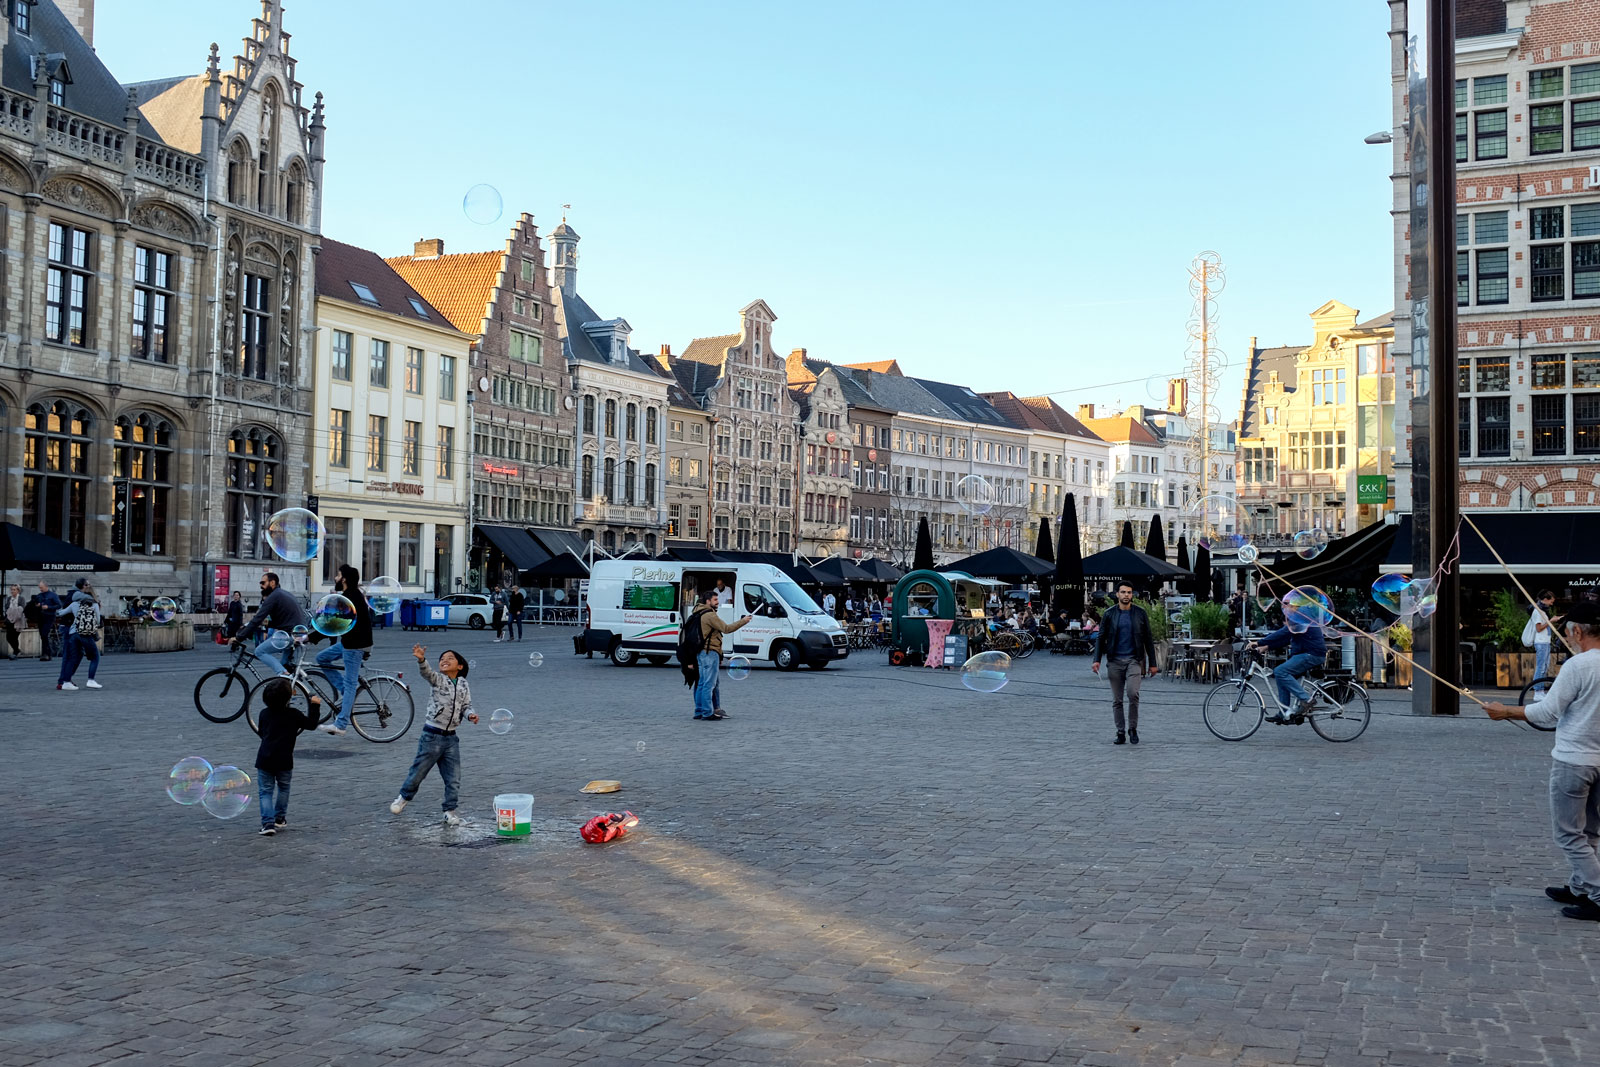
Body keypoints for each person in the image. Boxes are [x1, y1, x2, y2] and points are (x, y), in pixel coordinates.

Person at [1485, 602, 1600, 921]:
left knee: (1568, 833)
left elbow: (1547, 711)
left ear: (1578, 632)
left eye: (1567, 630)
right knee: (1589, 828)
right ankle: (1581, 887)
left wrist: (1506, 710)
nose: (1566, 635)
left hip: (1575, 760)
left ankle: (1598, 891)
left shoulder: (1580, 665)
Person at [391, 645, 478, 824]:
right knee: (419, 772)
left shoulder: (463, 683)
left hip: (451, 738)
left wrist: (470, 714)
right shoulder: (438, 679)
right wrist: (422, 660)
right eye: (442, 658)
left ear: (460, 666)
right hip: (432, 735)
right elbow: (427, 673)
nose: (444, 660)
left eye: (450, 658)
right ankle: (403, 797)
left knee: (453, 778)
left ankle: (450, 811)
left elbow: (466, 705)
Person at [1091, 581, 1157, 745]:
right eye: (1123, 592)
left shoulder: (1140, 613)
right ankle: (1120, 731)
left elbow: (1148, 639)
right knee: (1117, 700)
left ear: (1132, 595)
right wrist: (1096, 660)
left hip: (1134, 660)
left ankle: (1132, 728)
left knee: (1133, 694)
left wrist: (1153, 663)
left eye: (1129, 592)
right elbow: (1101, 637)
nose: (1126, 595)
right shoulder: (1109, 614)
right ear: (1117, 594)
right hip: (1114, 660)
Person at [254, 680, 320, 836]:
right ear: (288, 698)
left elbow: (261, 732)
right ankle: (279, 818)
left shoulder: (264, 713)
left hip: (265, 758)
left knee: (265, 791)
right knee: (283, 788)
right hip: (285, 759)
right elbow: (311, 724)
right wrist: (315, 706)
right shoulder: (294, 714)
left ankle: (267, 823)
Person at [316, 565, 374, 737]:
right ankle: (345, 695)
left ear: (344, 579)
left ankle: (341, 724)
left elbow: (333, 623)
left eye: (338, 575)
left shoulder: (351, 597)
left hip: (355, 646)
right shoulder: (350, 596)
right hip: (350, 643)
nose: (335, 577)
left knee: (350, 684)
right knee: (322, 658)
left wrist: (310, 637)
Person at [1248, 613, 1328, 723]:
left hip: (1311, 654)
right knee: (1281, 677)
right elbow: (1285, 639)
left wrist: (1259, 642)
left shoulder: (1299, 620)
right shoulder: (1301, 620)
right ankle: (1284, 713)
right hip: (1307, 654)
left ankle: (1306, 699)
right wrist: (1266, 647)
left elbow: (1282, 633)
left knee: (1280, 671)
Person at [686, 589, 750, 721]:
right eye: (715, 600)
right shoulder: (709, 615)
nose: (718, 602)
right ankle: (708, 712)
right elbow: (726, 629)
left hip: (701, 652)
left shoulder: (698, 612)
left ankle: (699, 711)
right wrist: (743, 621)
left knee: (702, 683)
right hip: (710, 652)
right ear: (708, 601)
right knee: (709, 684)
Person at [232, 572, 310, 677]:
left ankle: (283, 674)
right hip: (299, 633)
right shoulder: (284, 594)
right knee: (284, 665)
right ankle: (290, 684)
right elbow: (285, 618)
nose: (261, 586)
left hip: (290, 635)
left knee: (259, 651)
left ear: (272, 583)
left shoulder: (274, 596)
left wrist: (239, 638)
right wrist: (269, 624)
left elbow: (258, 619)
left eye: (263, 583)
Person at [55, 578, 103, 691]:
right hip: (86, 634)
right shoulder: (94, 604)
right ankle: (91, 680)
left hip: (73, 633)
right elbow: (98, 621)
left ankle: (65, 682)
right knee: (95, 657)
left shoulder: (74, 603)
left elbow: (60, 613)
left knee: (72, 657)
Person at [1531, 589, 1558, 696]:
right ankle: (1538, 691)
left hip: (1545, 642)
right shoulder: (1538, 612)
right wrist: (1551, 621)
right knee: (1541, 667)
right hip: (1541, 642)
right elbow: (1539, 628)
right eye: (1551, 602)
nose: (1551, 604)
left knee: (1544, 667)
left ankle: (1540, 691)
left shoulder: (1542, 611)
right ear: (1545, 600)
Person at [30, 581, 62, 661]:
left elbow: (59, 605)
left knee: (44, 634)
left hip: (49, 616)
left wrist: (48, 607)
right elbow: (35, 604)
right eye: (39, 588)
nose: (40, 589)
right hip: (41, 617)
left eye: (41, 587)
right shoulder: (39, 595)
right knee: (42, 635)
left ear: (46, 586)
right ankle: (48, 653)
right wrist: (38, 605)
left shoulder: (53, 595)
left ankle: (46, 653)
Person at [4, 584, 24, 658]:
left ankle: (15, 653)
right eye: (11, 589)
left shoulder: (21, 598)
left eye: (14, 589)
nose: (12, 591)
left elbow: (21, 609)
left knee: (15, 637)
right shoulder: (9, 598)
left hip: (18, 621)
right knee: (9, 637)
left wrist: (13, 612)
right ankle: (17, 650)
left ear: (18, 590)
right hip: (9, 620)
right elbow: (6, 608)